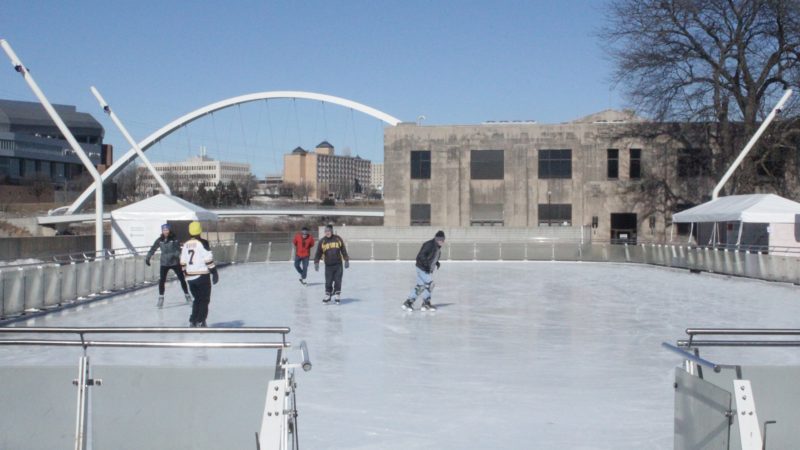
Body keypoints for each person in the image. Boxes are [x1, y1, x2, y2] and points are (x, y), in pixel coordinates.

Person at [180, 221, 219, 327]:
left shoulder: (185, 244)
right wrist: (214, 272)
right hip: (202, 275)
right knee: (204, 299)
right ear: (199, 230)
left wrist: (185, 274)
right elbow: (208, 259)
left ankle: (193, 320)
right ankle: (201, 320)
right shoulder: (203, 243)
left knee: (197, 299)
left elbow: (182, 262)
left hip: (190, 276)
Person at [145, 223, 191, 308]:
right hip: (164, 263)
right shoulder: (160, 240)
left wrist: (175, 255)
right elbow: (153, 248)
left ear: (169, 230)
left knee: (181, 279)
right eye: (164, 230)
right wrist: (148, 257)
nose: (165, 232)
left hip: (175, 262)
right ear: (162, 231)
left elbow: (178, 249)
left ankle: (187, 295)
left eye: (167, 230)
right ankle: (161, 298)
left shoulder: (174, 238)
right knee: (162, 280)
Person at [403, 230, 446, 312]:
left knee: (421, 286)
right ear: (436, 239)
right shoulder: (429, 245)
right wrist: (426, 265)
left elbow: (431, 256)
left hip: (426, 268)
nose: (442, 241)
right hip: (422, 268)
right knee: (430, 284)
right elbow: (421, 256)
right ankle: (426, 303)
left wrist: (436, 262)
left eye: (443, 239)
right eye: (440, 239)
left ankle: (408, 302)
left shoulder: (436, 246)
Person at [313, 224, 349, 304]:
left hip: (338, 264)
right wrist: (316, 262)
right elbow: (318, 253)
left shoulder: (337, 239)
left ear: (332, 231)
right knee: (328, 281)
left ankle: (337, 295)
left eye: (328, 231)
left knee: (338, 280)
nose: (327, 232)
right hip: (328, 265)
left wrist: (346, 259)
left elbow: (343, 249)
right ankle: (328, 295)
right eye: (325, 231)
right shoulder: (322, 241)